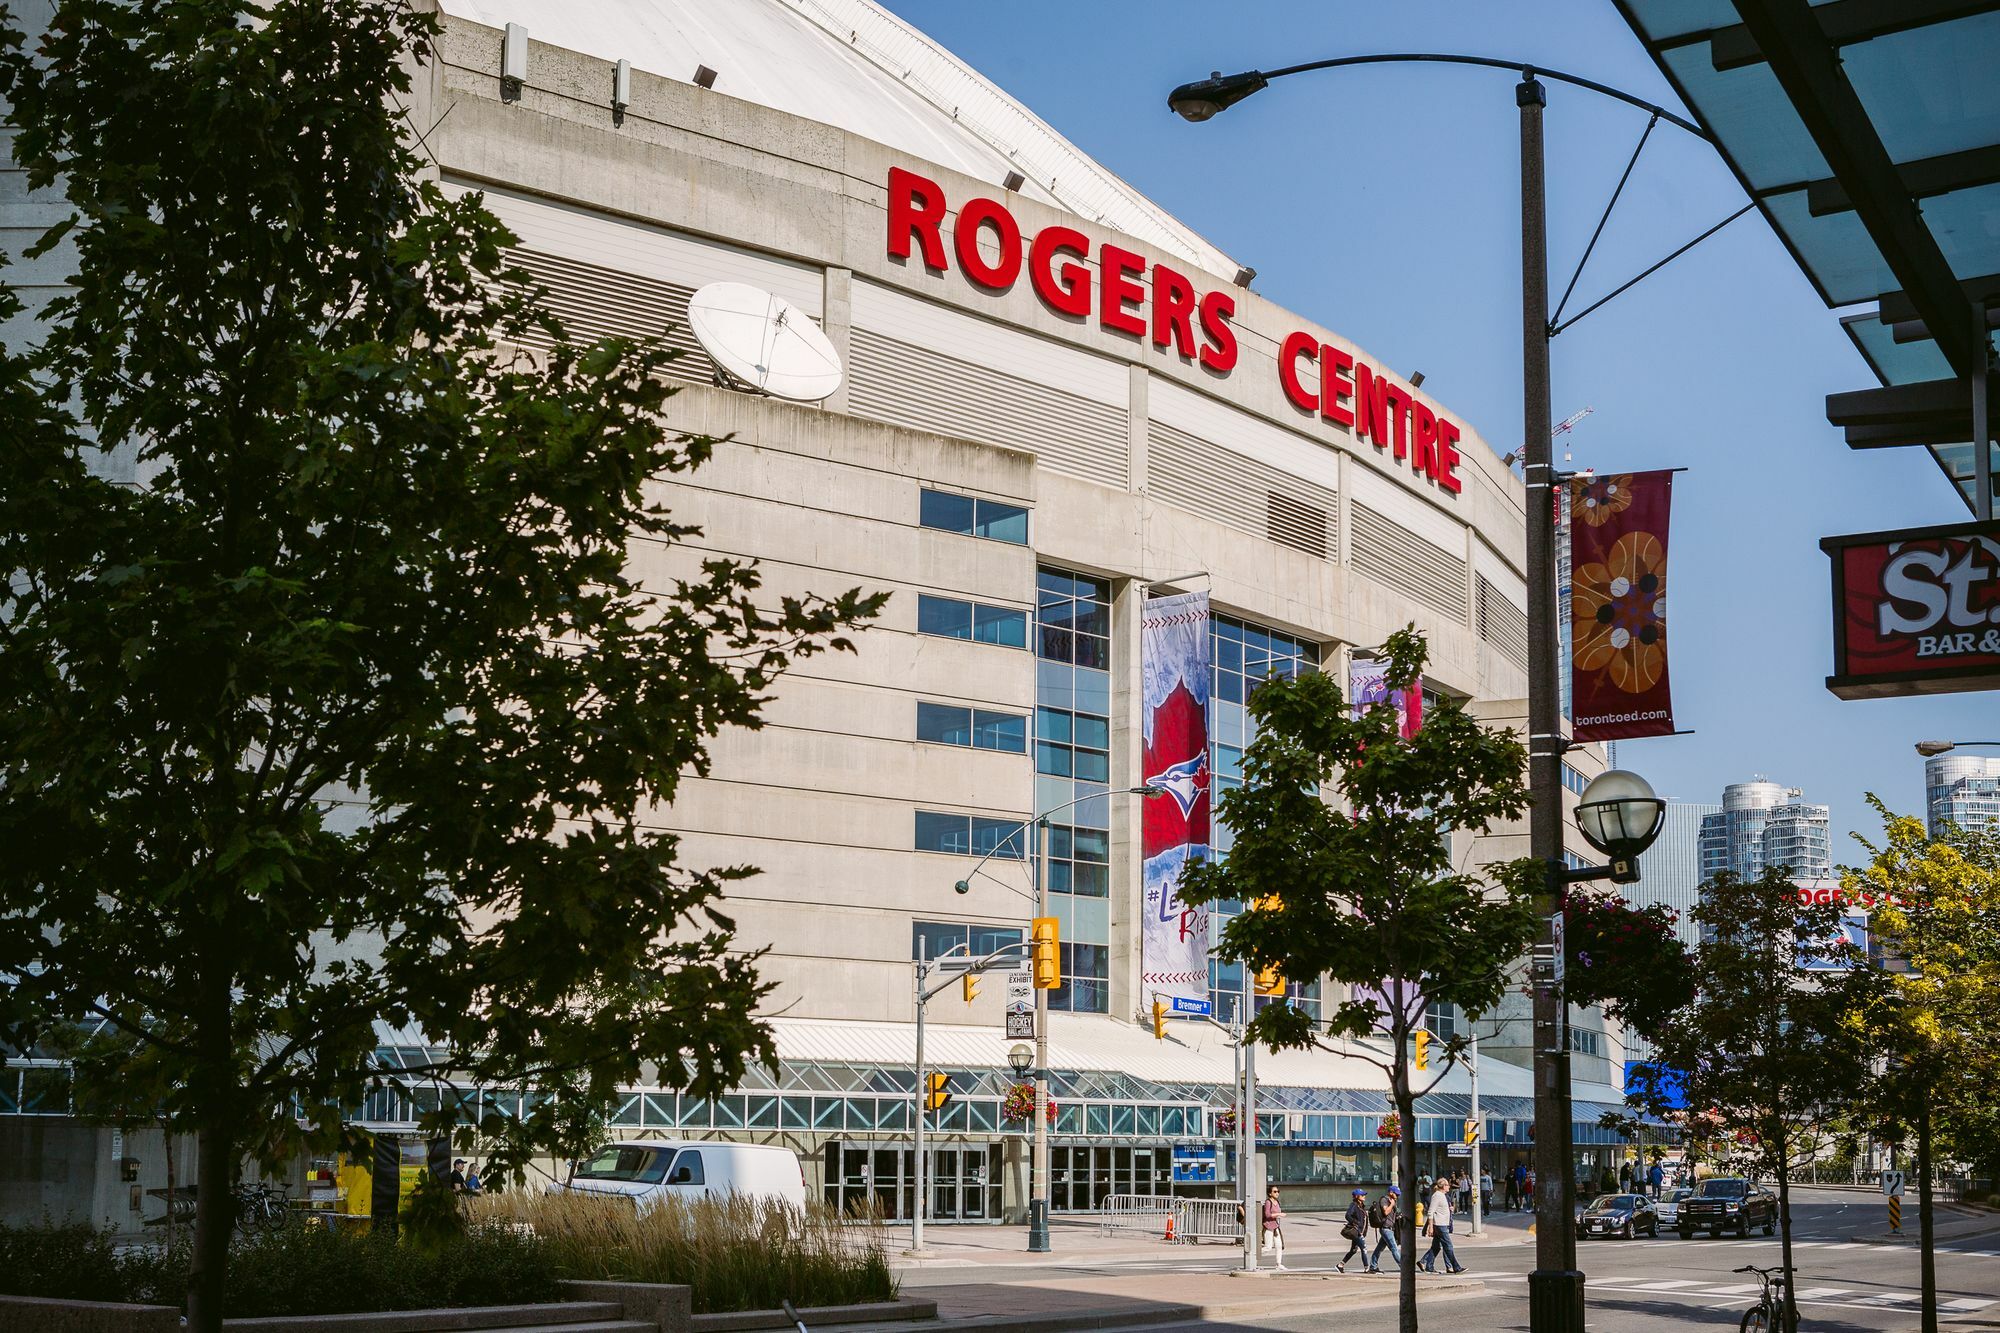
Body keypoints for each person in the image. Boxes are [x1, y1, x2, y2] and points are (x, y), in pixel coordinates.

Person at [1419, 1177, 1466, 1274]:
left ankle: (1427, 1264)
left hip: (1443, 1224)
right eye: (1447, 1185)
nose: (1449, 1186)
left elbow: (1442, 1209)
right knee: (1448, 1246)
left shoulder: (1442, 1195)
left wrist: (1450, 1209)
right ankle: (1456, 1267)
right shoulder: (1437, 1196)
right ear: (1443, 1186)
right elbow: (1430, 1212)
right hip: (1440, 1225)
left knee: (1436, 1247)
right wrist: (1430, 1227)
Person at [1368, 1186, 1401, 1274]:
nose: (1397, 1196)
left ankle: (1373, 1266)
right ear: (1390, 1192)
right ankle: (1404, 1266)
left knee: (1379, 1249)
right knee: (1394, 1248)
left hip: (1389, 1229)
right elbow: (1386, 1212)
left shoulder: (1392, 1201)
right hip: (1386, 1228)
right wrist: (1392, 1204)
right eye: (1396, 1194)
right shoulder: (1384, 1200)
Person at [1335, 1187, 1369, 1273]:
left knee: (1353, 1250)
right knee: (1364, 1248)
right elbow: (1347, 1215)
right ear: (1357, 1196)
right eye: (1362, 1195)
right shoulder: (1354, 1205)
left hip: (1359, 1231)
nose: (1364, 1196)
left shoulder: (1361, 1206)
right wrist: (1355, 1222)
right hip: (1357, 1231)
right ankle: (1367, 1268)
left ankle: (1340, 1265)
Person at [1261, 1184, 1287, 1271]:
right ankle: (1254, 1255)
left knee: (1279, 1246)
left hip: (1276, 1226)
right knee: (1268, 1247)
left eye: (1278, 1191)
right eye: (1275, 1192)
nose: (1277, 1193)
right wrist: (1279, 1214)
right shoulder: (1268, 1202)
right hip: (1268, 1226)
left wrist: (1278, 1216)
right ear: (1270, 1193)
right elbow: (1267, 1215)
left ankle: (1278, 1264)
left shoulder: (1277, 1202)